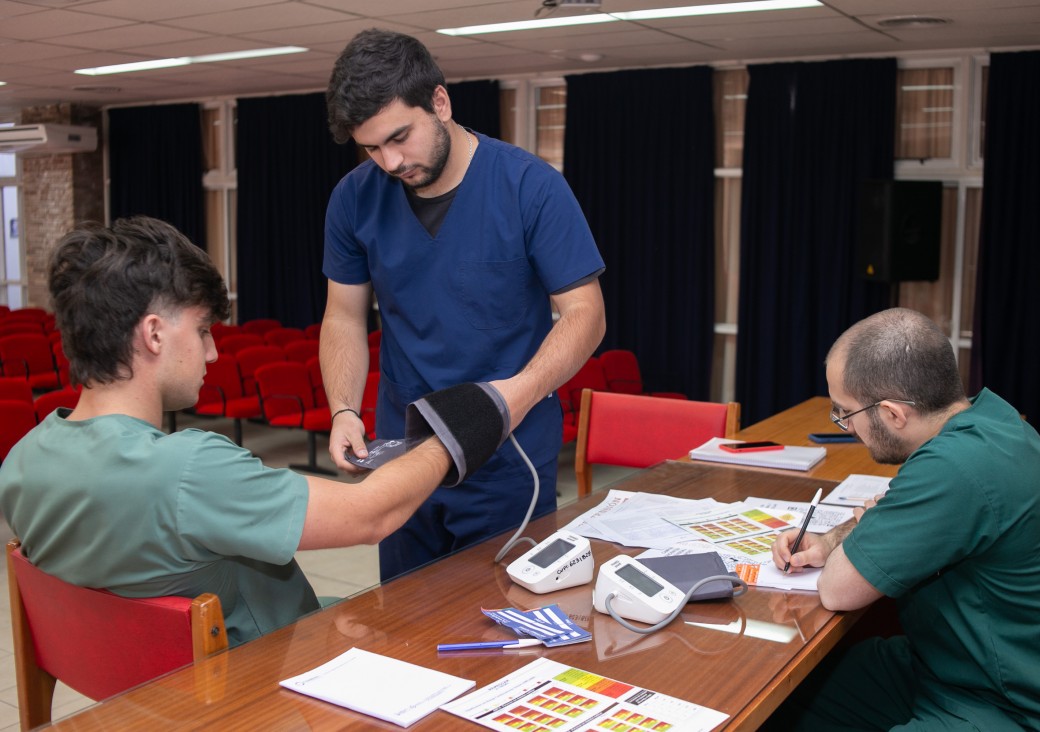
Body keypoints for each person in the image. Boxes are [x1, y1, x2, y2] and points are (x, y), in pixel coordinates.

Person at [0, 216, 521, 647]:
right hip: (253, 680)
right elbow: (371, 515)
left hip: (143, 694)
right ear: (154, 333)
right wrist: (450, 438)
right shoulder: (186, 471)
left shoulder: (24, 460)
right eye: (202, 330)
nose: (211, 352)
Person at [322, 29, 606, 580]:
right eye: (372, 147)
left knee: (502, 624)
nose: (390, 161)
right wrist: (343, 408)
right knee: (404, 624)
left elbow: (585, 314)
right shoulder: (354, 198)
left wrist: (512, 400)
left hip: (507, 454)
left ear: (440, 102)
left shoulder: (530, 186)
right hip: (404, 452)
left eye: (400, 137)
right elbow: (343, 316)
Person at [767, 308, 1040, 730]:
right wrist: (831, 541)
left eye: (845, 413)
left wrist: (869, 526)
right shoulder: (991, 421)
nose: (846, 427)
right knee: (792, 696)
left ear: (891, 414)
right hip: (957, 666)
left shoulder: (952, 467)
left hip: (1017, 706)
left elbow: (836, 590)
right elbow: (893, 509)